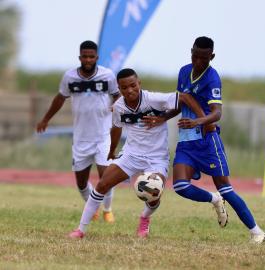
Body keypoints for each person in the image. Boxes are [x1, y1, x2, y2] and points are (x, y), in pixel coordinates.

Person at [68, 68, 226, 239]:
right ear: (119, 89)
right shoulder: (119, 106)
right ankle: (81, 230)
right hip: (131, 155)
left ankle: (144, 218)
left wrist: (200, 121)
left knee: (153, 194)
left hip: (156, 158)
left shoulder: (153, 99)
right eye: (124, 88)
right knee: (102, 185)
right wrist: (112, 150)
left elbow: (186, 98)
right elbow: (116, 127)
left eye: (133, 85)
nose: (130, 90)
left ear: (139, 83)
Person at [146, 36, 265, 243]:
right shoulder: (184, 71)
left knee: (226, 189)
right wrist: (162, 118)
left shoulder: (212, 78)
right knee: (180, 186)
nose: (198, 61)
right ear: (190, 51)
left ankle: (257, 232)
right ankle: (214, 199)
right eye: (195, 56)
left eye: (204, 58)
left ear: (212, 56)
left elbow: (217, 113)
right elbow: (180, 103)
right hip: (186, 142)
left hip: (208, 141)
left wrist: (198, 121)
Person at [36, 40, 121, 223]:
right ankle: (94, 206)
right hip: (82, 138)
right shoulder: (70, 77)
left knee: (106, 177)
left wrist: (117, 108)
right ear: (80, 57)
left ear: (97, 57)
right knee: (81, 183)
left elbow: (117, 95)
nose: (88, 60)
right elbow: (60, 98)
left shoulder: (107, 75)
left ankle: (108, 210)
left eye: (92, 56)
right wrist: (45, 119)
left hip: (103, 136)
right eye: (85, 56)